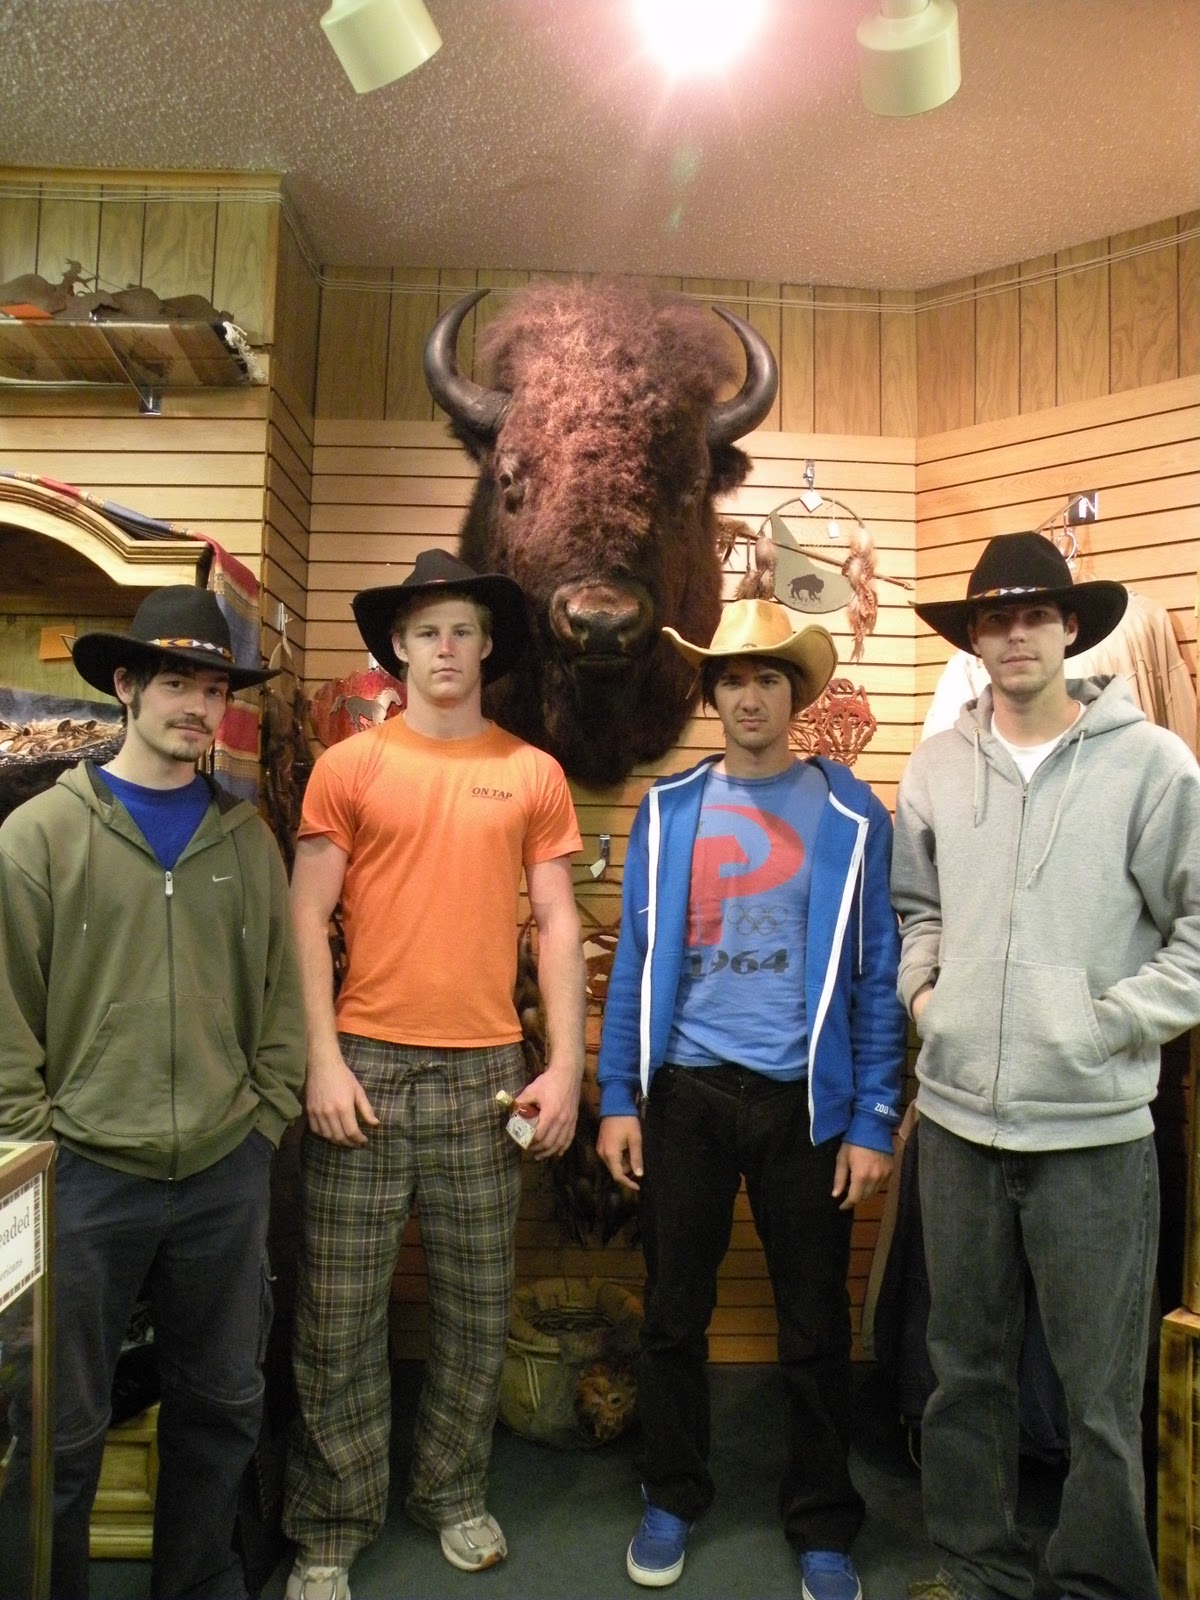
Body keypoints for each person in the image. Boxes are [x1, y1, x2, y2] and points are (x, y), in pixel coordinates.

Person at [891, 532, 1200, 1600]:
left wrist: (1108, 1024)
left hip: (1094, 1136)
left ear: (1072, 628)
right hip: (958, 1129)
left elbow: (1196, 931)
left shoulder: (1153, 764)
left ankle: (1100, 1583)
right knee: (963, 1373)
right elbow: (917, 909)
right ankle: (975, 1566)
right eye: (995, 617)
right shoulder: (935, 766)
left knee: (1101, 1393)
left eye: (1035, 614)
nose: (1014, 633)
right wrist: (927, 998)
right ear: (973, 639)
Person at [282, 548, 586, 1600]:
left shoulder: (532, 772)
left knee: (474, 1306)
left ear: (487, 644)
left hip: (485, 1074)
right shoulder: (350, 766)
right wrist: (320, 1059)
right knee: (338, 1313)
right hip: (362, 1065)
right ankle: (332, 1521)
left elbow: (556, 920)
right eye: (426, 632)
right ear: (398, 649)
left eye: (462, 629)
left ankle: (453, 1492)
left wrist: (566, 1064)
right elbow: (305, 914)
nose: (445, 648)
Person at [596, 598, 906, 1600]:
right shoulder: (670, 809)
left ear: (796, 693)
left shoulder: (854, 816)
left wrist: (871, 1116)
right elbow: (637, 960)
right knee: (672, 1316)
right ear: (712, 694)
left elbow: (875, 975)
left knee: (815, 1326)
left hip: (804, 1106)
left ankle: (823, 1521)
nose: (749, 696)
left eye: (768, 677)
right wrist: (618, 1095)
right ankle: (672, 1494)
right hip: (685, 1094)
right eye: (731, 678)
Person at [0, 584, 305, 1600]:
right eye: (177, 682)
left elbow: (281, 1001)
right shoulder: (39, 837)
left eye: (214, 689)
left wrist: (262, 1123)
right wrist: (38, 1150)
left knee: (221, 1408)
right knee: (56, 1425)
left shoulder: (247, 842)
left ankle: (199, 1584)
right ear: (126, 685)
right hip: (83, 1179)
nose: (198, 706)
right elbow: (4, 1016)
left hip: (223, 1174)